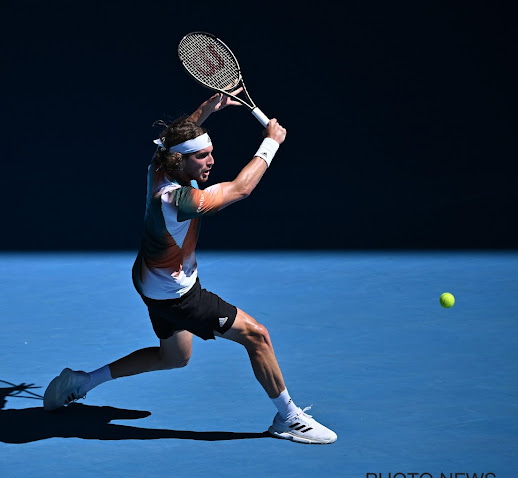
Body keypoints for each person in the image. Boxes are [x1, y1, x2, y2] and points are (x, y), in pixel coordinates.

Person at [43, 93, 337, 444]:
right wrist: (270, 143)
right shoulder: (178, 200)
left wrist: (209, 107)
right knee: (257, 336)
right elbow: (240, 189)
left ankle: (83, 381)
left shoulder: (159, 163)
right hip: (178, 296)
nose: (211, 161)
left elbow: (172, 137)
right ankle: (289, 418)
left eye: (210, 151)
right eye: (201, 156)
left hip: (149, 284)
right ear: (180, 162)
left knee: (174, 357)